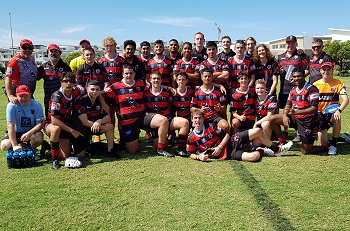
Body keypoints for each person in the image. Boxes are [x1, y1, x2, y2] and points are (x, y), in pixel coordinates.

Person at [103, 65, 173, 157]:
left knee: (163, 120)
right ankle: (125, 141)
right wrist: (115, 108)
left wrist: (169, 88)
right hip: (129, 122)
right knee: (133, 150)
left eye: (131, 73)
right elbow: (103, 96)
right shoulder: (115, 87)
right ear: (123, 74)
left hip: (143, 117)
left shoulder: (141, 84)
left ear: (134, 74)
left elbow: (155, 85)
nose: (129, 75)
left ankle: (160, 149)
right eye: (126, 73)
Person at [269, 67, 324, 154]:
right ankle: (283, 142)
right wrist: (284, 116)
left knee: (305, 151)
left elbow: (314, 109)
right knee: (272, 119)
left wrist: (296, 112)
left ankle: (326, 146)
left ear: (304, 76)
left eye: (299, 76)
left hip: (308, 121)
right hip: (296, 118)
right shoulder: (292, 90)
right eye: (294, 77)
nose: (296, 79)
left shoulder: (312, 89)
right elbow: (287, 106)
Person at [144, 71, 190, 156]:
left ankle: (179, 148)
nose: (156, 80)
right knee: (163, 142)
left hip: (166, 119)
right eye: (154, 78)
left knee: (185, 122)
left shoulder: (167, 92)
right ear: (150, 80)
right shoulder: (145, 91)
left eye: (158, 79)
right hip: (153, 123)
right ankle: (161, 148)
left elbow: (170, 106)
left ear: (161, 80)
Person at [44, 73, 83, 169]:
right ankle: (54, 159)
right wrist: (72, 131)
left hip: (65, 124)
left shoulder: (76, 91)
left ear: (74, 83)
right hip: (51, 124)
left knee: (65, 156)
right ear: (61, 82)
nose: (68, 84)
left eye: (71, 82)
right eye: (65, 81)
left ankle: (48, 147)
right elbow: (54, 120)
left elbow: (90, 90)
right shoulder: (57, 97)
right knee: (55, 129)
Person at [71, 80, 117, 158]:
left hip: (93, 128)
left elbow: (108, 117)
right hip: (81, 131)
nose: (95, 92)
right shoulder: (80, 101)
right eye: (92, 89)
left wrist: (100, 121)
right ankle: (76, 146)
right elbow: (85, 122)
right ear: (87, 89)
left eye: (97, 89)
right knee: (80, 155)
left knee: (109, 126)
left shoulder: (100, 101)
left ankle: (110, 150)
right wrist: (102, 126)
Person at [313, 62, 349, 155]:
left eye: (328, 69)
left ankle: (333, 144)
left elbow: (345, 100)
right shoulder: (315, 85)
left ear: (332, 70)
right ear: (320, 71)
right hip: (320, 115)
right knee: (322, 143)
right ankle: (341, 137)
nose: (326, 71)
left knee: (337, 117)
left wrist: (338, 111)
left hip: (332, 113)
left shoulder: (338, 83)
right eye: (324, 69)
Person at [1, 85, 43, 153]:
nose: (23, 98)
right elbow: (10, 126)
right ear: (16, 96)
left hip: (30, 132)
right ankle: (18, 147)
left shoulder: (37, 105)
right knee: (4, 145)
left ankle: (31, 149)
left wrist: (29, 133)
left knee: (39, 137)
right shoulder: (11, 106)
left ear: (30, 95)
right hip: (15, 132)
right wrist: (14, 145)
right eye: (21, 96)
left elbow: (40, 124)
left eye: (26, 95)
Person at [37, 44, 72, 118]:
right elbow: (34, 79)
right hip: (48, 99)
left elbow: (71, 82)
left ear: (59, 53)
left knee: (64, 120)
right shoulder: (43, 67)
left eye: (55, 51)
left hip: (63, 99)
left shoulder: (66, 67)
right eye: (51, 51)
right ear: (48, 53)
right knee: (50, 120)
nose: (53, 53)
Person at [190, 68, 229, 133]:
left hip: (215, 117)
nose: (207, 78)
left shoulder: (219, 91)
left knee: (225, 126)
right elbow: (191, 108)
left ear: (212, 77)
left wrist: (220, 108)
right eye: (205, 76)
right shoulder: (196, 92)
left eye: (209, 76)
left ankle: (227, 142)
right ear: (201, 77)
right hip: (202, 117)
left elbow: (224, 108)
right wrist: (200, 110)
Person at [277, 35, 309, 109]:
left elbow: (307, 70)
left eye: (292, 43)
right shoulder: (280, 57)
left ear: (296, 44)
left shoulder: (301, 55)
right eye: (288, 43)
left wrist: (297, 79)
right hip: (284, 90)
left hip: (298, 89)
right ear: (285, 44)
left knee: (297, 111)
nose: (290, 45)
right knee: (285, 112)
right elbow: (277, 70)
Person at [5, 39, 37, 103]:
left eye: (30, 48)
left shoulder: (32, 58)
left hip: (29, 94)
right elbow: (8, 78)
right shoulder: (14, 62)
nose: (27, 50)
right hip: (19, 96)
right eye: (24, 48)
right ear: (20, 48)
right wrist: (10, 96)